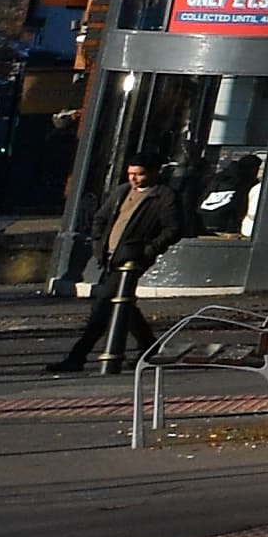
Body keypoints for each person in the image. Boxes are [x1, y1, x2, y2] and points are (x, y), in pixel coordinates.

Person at [47, 148, 182, 374]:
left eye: (139, 174)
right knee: (122, 304)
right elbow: (100, 218)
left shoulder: (163, 196)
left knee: (103, 306)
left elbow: (173, 229)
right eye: (130, 173)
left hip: (132, 259)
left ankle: (77, 357)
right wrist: (98, 244)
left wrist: (148, 251)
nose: (133, 178)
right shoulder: (121, 191)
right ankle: (150, 347)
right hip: (111, 257)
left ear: (153, 172)